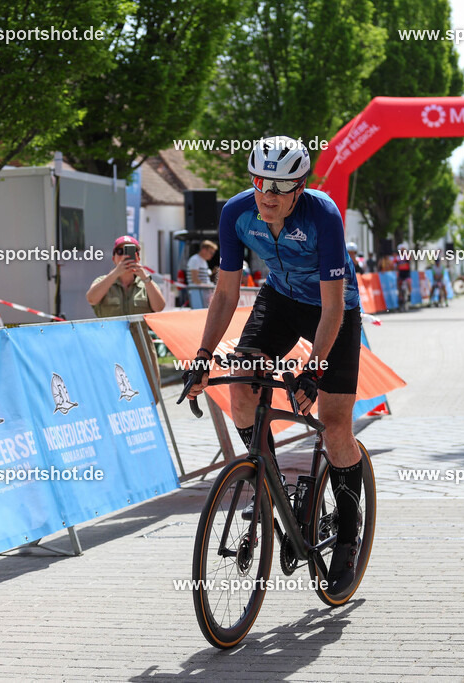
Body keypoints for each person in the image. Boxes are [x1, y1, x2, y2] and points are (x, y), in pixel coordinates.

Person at [185, 135, 363, 594]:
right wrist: (202, 356)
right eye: (261, 182)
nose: (268, 194)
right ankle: (268, 483)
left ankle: (348, 534)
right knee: (242, 388)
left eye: (281, 187)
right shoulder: (236, 213)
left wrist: (314, 369)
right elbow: (226, 292)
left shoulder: (323, 215)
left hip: (333, 309)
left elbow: (332, 306)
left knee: (335, 425)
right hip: (280, 300)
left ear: (300, 187)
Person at [86, 236, 166, 390]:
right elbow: (91, 299)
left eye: (130, 251)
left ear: (138, 257)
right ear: (114, 258)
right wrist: (115, 274)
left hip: (141, 346)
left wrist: (146, 279)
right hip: (110, 345)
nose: (125, 255)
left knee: (148, 389)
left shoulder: (146, 283)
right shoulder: (103, 281)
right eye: (120, 251)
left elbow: (159, 306)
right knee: (112, 389)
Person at [187, 240, 217, 307]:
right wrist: (209, 286)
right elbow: (195, 279)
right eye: (211, 252)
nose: (212, 255)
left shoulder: (203, 261)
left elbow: (203, 278)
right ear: (204, 250)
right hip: (197, 293)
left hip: (203, 293)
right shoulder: (195, 260)